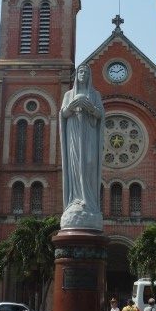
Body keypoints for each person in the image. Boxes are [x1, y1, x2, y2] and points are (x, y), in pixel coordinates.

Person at [59, 64, 105, 230]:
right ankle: (76, 200)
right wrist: (72, 106)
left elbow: (100, 114)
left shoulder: (95, 94)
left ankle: (89, 202)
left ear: (89, 75)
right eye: (80, 71)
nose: (83, 74)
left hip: (90, 135)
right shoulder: (69, 94)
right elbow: (63, 113)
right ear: (76, 74)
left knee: (89, 163)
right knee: (75, 168)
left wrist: (91, 108)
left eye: (86, 72)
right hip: (74, 136)